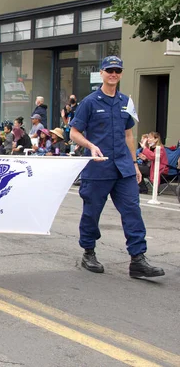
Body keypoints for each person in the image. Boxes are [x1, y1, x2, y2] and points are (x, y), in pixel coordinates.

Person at [70, 56, 164, 278]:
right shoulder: (90, 102)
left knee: (132, 211)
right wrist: (90, 146)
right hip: (98, 168)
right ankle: (89, 252)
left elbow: (128, 135)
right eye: (109, 70)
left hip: (123, 168)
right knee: (92, 213)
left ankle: (138, 259)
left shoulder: (125, 102)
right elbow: (74, 133)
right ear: (101, 73)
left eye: (117, 71)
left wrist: (134, 164)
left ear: (121, 74)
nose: (113, 74)